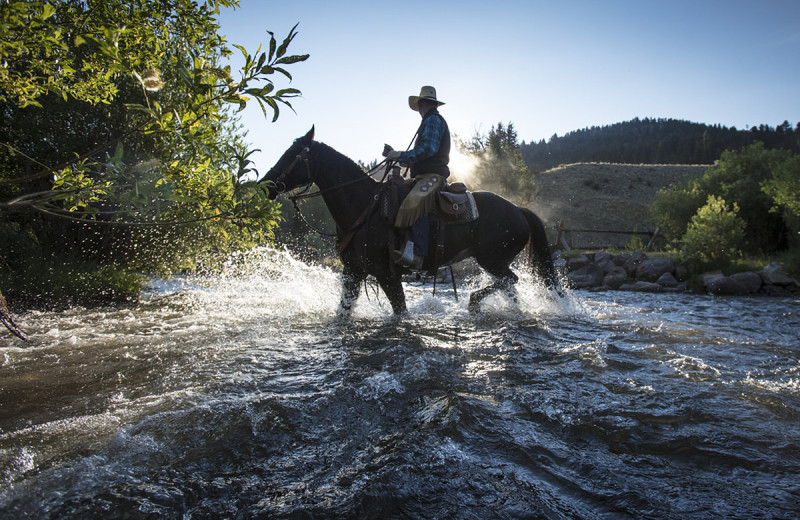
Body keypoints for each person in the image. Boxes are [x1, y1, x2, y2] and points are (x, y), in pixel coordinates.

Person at [383, 85, 451, 269]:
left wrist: (399, 155)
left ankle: (418, 254)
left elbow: (428, 149)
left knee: (415, 202)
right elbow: (420, 155)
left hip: (433, 175)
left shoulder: (433, 120)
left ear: (421, 104)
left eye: (419, 106)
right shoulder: (429, 121)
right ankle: (405, 244)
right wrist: (396, 155)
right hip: (423, 175)